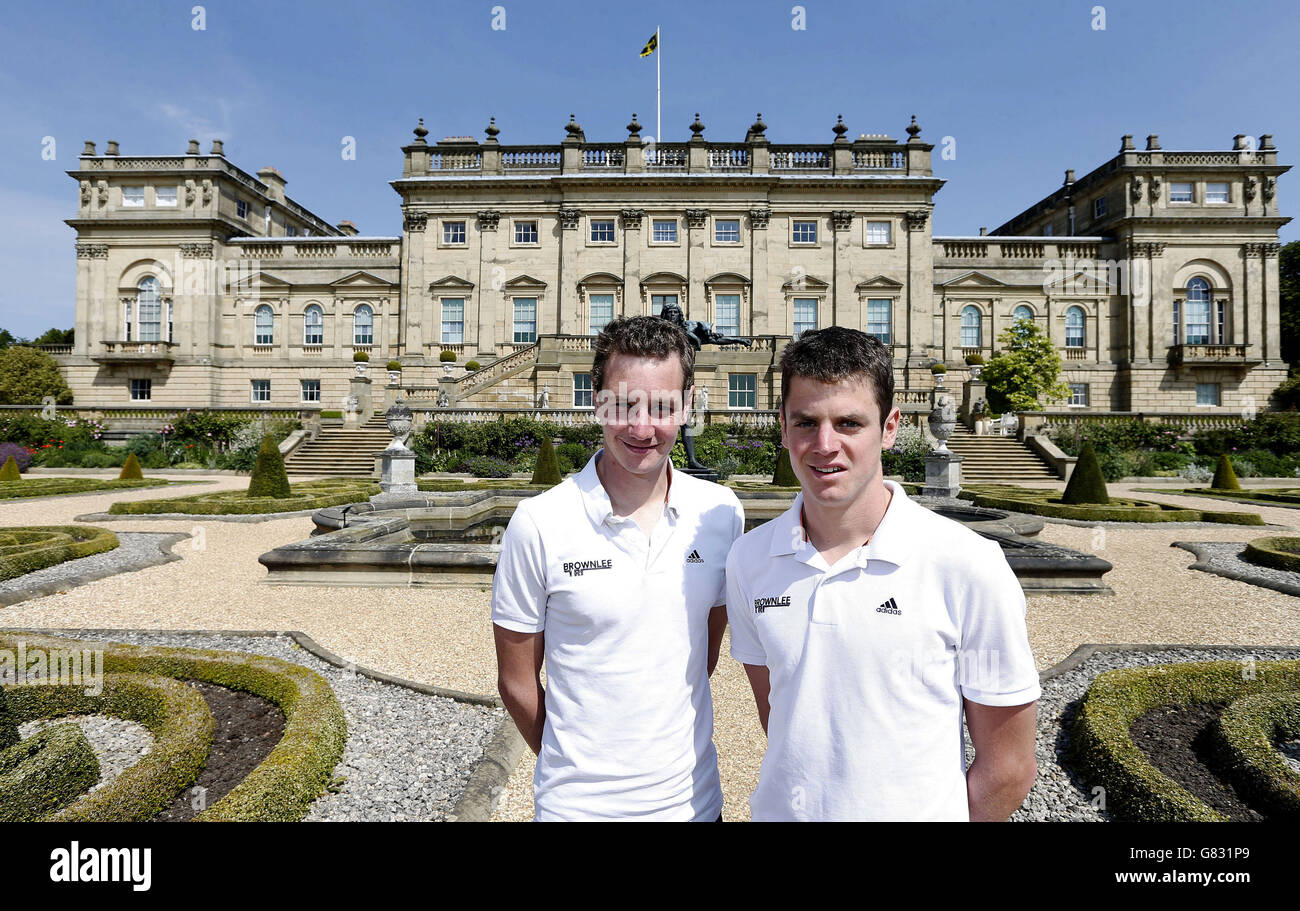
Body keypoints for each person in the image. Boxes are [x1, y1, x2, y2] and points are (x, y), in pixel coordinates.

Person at [725, 326, 1039, 821]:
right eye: (806, 422)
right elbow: (784, 717)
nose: (824, 445)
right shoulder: (748, 559)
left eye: (849, 423)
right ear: (783, 427)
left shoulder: (967, 564)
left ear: (889, 427)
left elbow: (1010, 765)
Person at [492, 315, 745, 820]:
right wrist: (575, 769)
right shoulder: (539, 522)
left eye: (662, 406)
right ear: (596, 399)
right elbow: (516, 682)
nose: (642, 428)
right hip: (578, 810)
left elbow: (701, 656)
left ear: (688, 404)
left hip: (693, 805)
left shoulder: (721, 515)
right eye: (624, 404)